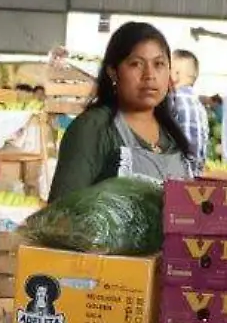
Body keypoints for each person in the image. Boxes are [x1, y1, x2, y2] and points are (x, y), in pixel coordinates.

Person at [49, 22, 200, 201]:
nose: (149, 75)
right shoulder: (93, 129)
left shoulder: (171, 135)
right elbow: (60, 215)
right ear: (113, 72)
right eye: (136, 64)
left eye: (159, 64)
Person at [168, 49, 210, 162]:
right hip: (196, 170)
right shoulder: (199, 105)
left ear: (175, 75)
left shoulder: (174, 99)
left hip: (179, 169)